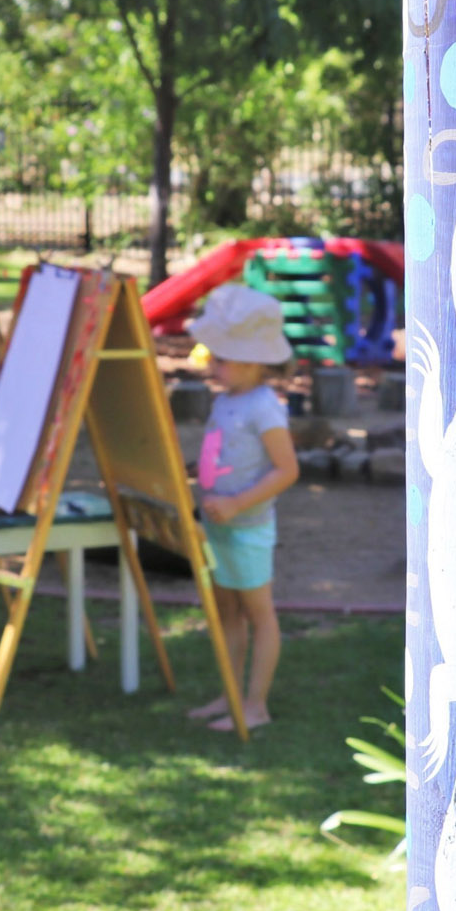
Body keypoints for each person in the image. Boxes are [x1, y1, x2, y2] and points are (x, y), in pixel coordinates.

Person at [184, 285, 299, 731]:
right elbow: (227, 454)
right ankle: (230, 694)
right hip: (220, 525)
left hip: (247, 527)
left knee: (259, 614)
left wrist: (235, 503)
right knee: (227, 611)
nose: (212, 364)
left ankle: (256, 706)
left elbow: (286, 470)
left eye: (222, 357)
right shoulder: (226, 398)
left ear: (253, 361)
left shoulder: (264, 407)